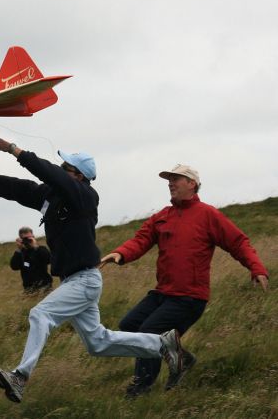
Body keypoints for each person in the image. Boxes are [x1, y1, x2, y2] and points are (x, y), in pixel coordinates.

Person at [0, 137, 186, 403]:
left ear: (79, 177)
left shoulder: (84, 196)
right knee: (98, 343)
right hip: (75, 281)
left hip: (84, 280)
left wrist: (15, 150)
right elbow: (15, 188)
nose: (60, 169)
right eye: (61, 165)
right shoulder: (52, 197)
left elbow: (51, 174)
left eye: (66, 167)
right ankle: (162, 345)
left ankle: (20, 376)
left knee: (40, 314)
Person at [100, 164, 269, 398]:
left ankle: (141, 389)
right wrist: (120, 253)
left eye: (176, 179)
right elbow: (140, 240)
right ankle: (183, 358)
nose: (170, 183)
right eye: (169, 179)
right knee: (129, 326)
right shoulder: (161, 217)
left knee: (149, 332)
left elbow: (238, 242)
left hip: (189, 298)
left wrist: (256, 268)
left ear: (192, 184)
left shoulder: (208, 215)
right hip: (163, 294)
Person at [10, 226, 53, 294]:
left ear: (33, 237)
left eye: (30, 238)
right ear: (21, 239)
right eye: (25, 239)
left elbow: (49, 260)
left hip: (45, 286)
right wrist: (19, 249)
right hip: (29, 289)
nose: (28, 240)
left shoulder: (41, 249)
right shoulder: (21, 253)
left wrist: (36, 246)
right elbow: (14, 267)